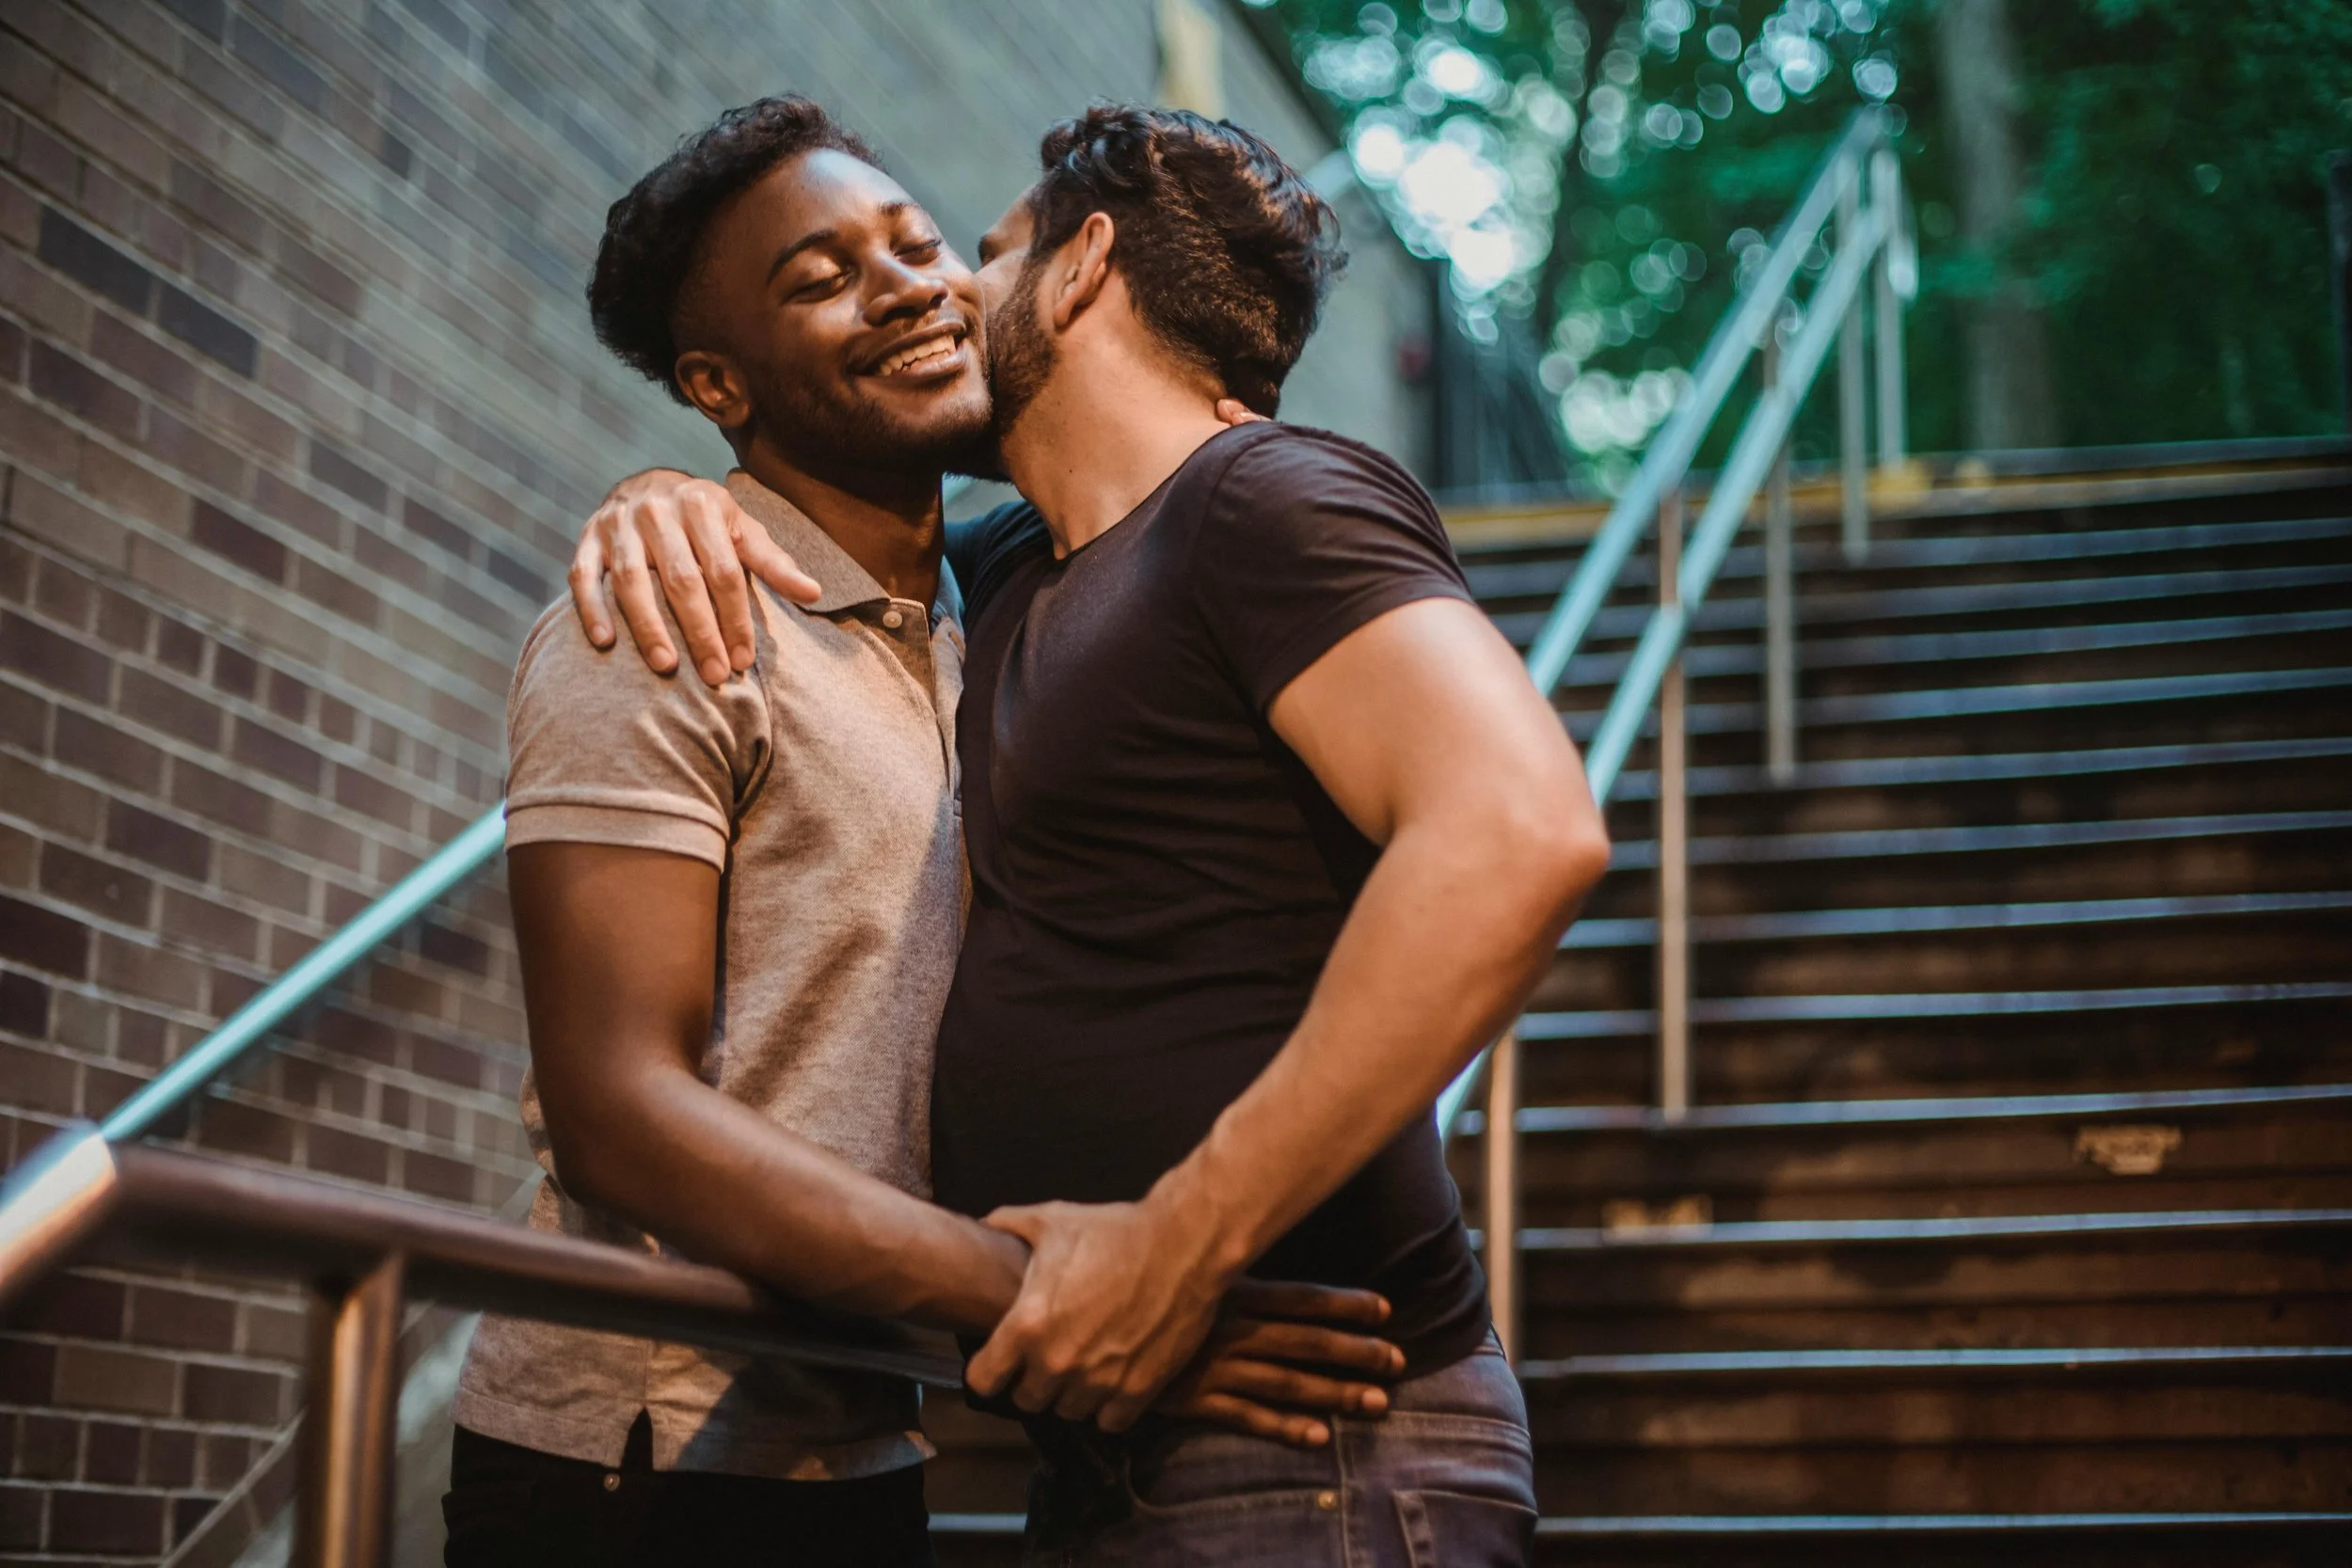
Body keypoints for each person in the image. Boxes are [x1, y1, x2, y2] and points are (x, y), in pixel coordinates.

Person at [576, 104, 1613, 1565]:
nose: (941, 294)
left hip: (1323, 1444)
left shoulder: (1262, 495)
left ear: (1079, 269)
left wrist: (1177, 1239)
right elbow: (817, 497)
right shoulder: (1012, 569)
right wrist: (663, 494)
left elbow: (1520, 827)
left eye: (978, 253)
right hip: (1118, 1438)